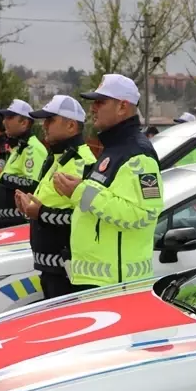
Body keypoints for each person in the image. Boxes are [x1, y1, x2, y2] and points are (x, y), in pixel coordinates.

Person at [53, 74, 162, 289]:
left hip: (117, 285)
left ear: (122, 107)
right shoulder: (114, 149)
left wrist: (80, 191)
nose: (92, 108)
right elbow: (104, 200)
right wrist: (79, 189)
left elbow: (144, 214)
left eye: (100, 102)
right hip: (96, 281)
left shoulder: (138, 154)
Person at [15, 95, 96, 300]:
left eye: (50, 120)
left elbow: (86, 215)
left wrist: (40, 213)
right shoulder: (57, 158)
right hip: (50, 267)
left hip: (67, 270)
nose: (44, 125)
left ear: (71, 126)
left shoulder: (84, 162)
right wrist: (30, 208)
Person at [0, 99, 49, 227]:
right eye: (4, 117)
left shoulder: (32, 148)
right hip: (9, 221)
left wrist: (2, 176)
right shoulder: (19, 147)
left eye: (10, 117)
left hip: (20, 222)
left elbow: (33, 184)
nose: (4, 122)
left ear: (24, 123)